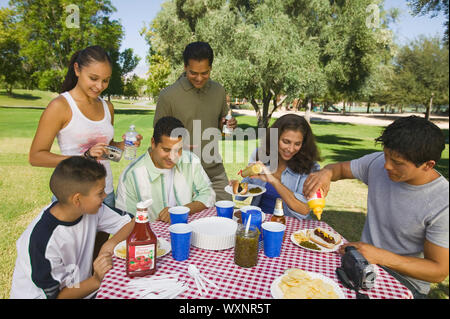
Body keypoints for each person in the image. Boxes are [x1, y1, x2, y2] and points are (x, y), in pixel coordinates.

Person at [303, 116, 449, 298]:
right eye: (386, 155)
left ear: (428, 165)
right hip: (359, 263)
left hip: (406, 283)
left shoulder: (443, 202)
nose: (386, 165)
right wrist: (326, 172)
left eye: (397, 162)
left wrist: (380, 256)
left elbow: (438, 270)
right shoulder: (378, 163)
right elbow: (339, 169)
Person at [28, 46, 142, 257]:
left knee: (98, 255)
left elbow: (105, 151)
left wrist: (123, 145)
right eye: (94, 78)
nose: (100, 86)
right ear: (77, 70)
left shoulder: (107, 107)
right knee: (71, 257)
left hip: (104, 192)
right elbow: (36, 156)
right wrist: (84, 158)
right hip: (74, 194)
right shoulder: (60, 106)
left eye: (105, 80)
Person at [10, 156, 134, 299]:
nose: (105, 196)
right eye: (100, 193)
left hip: (84, 290)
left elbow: (132, 222)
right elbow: (57, 296)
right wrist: (96, 280)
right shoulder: (43, 240)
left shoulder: (90, 209)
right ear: (77, 199)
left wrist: (110, 244)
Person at [154, 41, 237, 201]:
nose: (199, 78)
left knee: (227, 214)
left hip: (215, 170)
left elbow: (223, 126)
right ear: (185, 67)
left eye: (204, 73)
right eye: (193, 73)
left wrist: (230, 124)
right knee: (189, 222)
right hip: (182, 171)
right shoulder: (168, 96)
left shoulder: (219, 91)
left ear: (211, 68)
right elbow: (158, 138)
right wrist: (177, 146)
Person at [115, 116, 216, 223]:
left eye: (178, 150)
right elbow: (124, 222)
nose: (172, 157)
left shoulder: (190, 160)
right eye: (166, 150)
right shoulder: (131, 176)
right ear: (153, 143)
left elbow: (208, 194)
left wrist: (180, 210)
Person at [235, 114, 321, 219]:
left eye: (297, 144)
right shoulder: (260, 154)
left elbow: (304, 210)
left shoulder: (311, 168)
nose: (291, 149)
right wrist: (237, 185)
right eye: (286, 142)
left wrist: (274, 181)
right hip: (259, 219)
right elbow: (241, 195)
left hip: (291, 226)